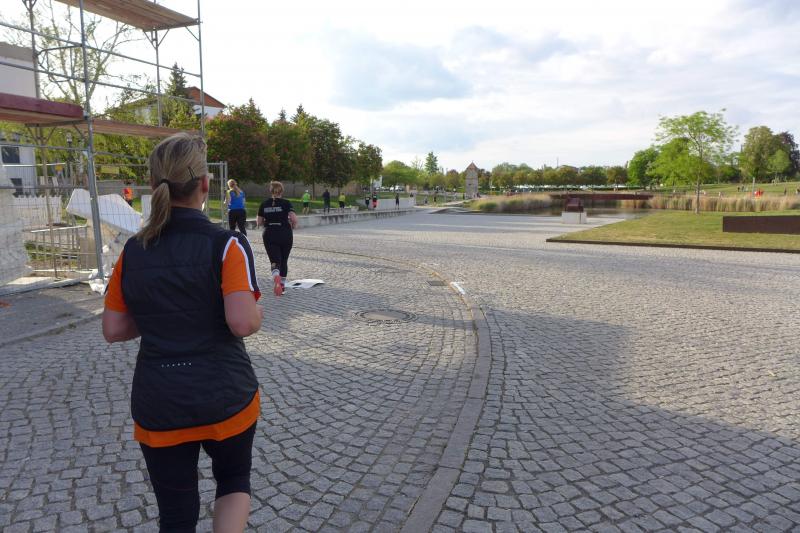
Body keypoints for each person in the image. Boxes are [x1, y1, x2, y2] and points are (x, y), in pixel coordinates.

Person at [102, 133, 264, 533]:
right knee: (233, 481)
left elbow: (114, 328)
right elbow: (242, 322)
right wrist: (258, 312)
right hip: (225, 394)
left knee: (175, 515)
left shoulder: (133, 251)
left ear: (153, 184)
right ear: (205, 184)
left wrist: (159, 316)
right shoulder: (227, 244)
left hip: (160, 401)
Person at [258, 181, 298, 295]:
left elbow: (259, 222)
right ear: (282, 191)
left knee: (275, 260)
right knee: (284, 260)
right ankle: (282, 285)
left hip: (269, 233)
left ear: (271, 191)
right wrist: (293, 226)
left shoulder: (264, 204)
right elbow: (294, 219)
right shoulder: (286, 203)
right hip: (285, 233)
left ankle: (276, 274)